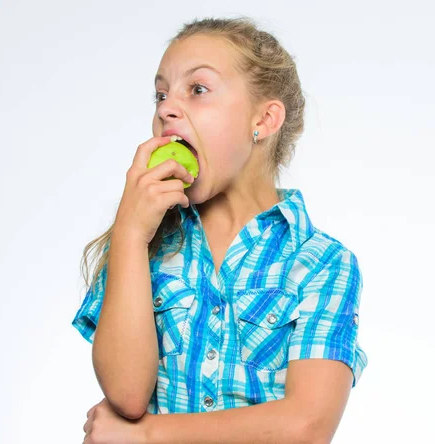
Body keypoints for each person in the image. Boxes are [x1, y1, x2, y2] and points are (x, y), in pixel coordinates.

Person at [72, 16, 368, 444]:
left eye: (198, 89)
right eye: (160, 94)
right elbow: (127, 395)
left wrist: (149, 435)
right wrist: (130, 234)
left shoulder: (323, 263)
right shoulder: (145, 247)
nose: (165, 109)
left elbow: (306, 425)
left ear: (264, 120)